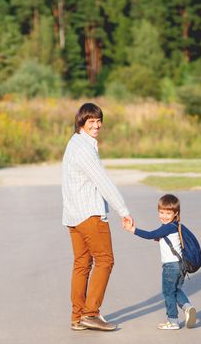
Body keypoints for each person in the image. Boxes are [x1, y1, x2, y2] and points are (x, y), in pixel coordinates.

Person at [62, 102, 133, 331]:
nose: (97, 125)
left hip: (74, 216)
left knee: (82, 263)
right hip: (89, 215)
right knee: (105, 260)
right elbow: (102, 181)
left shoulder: (75, 144)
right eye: (91, 121)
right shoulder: (83, 148)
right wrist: (123, 211)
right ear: (81, 123)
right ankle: (90, 314)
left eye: (98, 121)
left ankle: (77, 316)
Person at [123, 193, 196, 330]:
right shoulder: (175, 226)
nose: (164, 216)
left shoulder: (167, 227)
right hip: (181, 266)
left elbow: (150, 235)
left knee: (168, 292)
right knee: (176, 289)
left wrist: (132, 229)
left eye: (168, 213)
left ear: (175, 213)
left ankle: (172, 321)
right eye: (161, 212)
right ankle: (187, 307)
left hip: (170, 266)